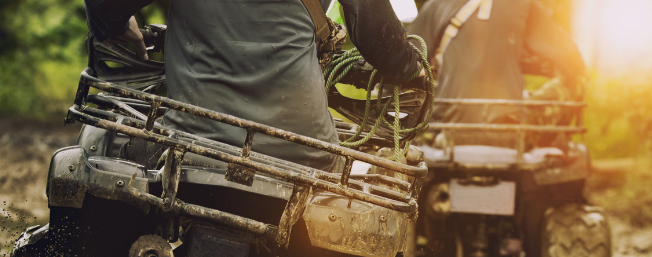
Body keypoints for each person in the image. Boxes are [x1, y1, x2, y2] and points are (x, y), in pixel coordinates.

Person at [84, 0, 423, 170]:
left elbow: (104, 5)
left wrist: (117, 24)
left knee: (98, 149)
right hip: (305, 154)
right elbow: (381, 41)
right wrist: (413, 68)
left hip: (193, 146)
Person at [407, 0, 585, 147]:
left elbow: (406, 64)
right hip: (506, 129)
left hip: (443, 128)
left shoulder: (436, 4)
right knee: (575, 82)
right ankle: (555, 143)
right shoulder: (524, 4)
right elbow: (572, 59)